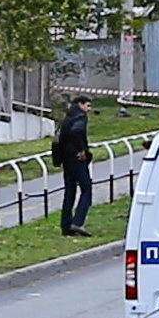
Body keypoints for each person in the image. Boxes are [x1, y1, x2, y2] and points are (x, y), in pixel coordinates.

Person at [54, 95, 94, 237]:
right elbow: (76, 131)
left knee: (69, 192)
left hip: (66, 159)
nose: (88, 109)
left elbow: (58, 139)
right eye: (87, 106)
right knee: (86, 189)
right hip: (77, 158)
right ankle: (78, 222)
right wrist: (81, 150)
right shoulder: (80, 117)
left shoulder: (66, 118)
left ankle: (66, 226)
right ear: (80, 104)